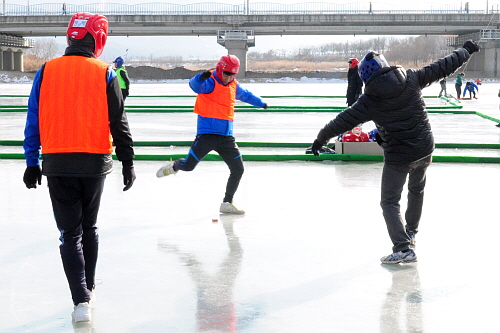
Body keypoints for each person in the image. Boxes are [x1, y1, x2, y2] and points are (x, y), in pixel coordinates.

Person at [310, 40, 479, 264]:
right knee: (416, 191)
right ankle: (411, 233)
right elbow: (443, 66)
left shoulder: (369, 100)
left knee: (389, 202)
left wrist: (320, 139)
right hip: (425, 148)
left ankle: (403, 248)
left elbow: (341, 122)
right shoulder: (411, 78)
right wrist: (465, 50)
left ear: (365, 77)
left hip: (400, 156)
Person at [22, 12, 136, 323]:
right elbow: (118, 121)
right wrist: (127, 160)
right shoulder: (106, 73)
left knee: (69, 234)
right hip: (94, 162)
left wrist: (32, 161)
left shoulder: (46, 70)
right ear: (98, 39)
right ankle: (90, 288)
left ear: (70, 37)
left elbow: (33, 118)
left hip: (57, 162)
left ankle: (81, 300)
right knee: (90, 228)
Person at [155, 55, 267, 214]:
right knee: (188, 166)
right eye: (226, 73)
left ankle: (227, 203)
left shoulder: (233, 85)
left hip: (226, 138)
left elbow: (246, 95)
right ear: (220, 69)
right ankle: (175, 166)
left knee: (238, 169)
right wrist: (201, 76)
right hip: (207, 136)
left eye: (232, 75)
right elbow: (195, 85)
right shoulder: (210, 83)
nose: (228, 77)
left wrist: (261, 103)